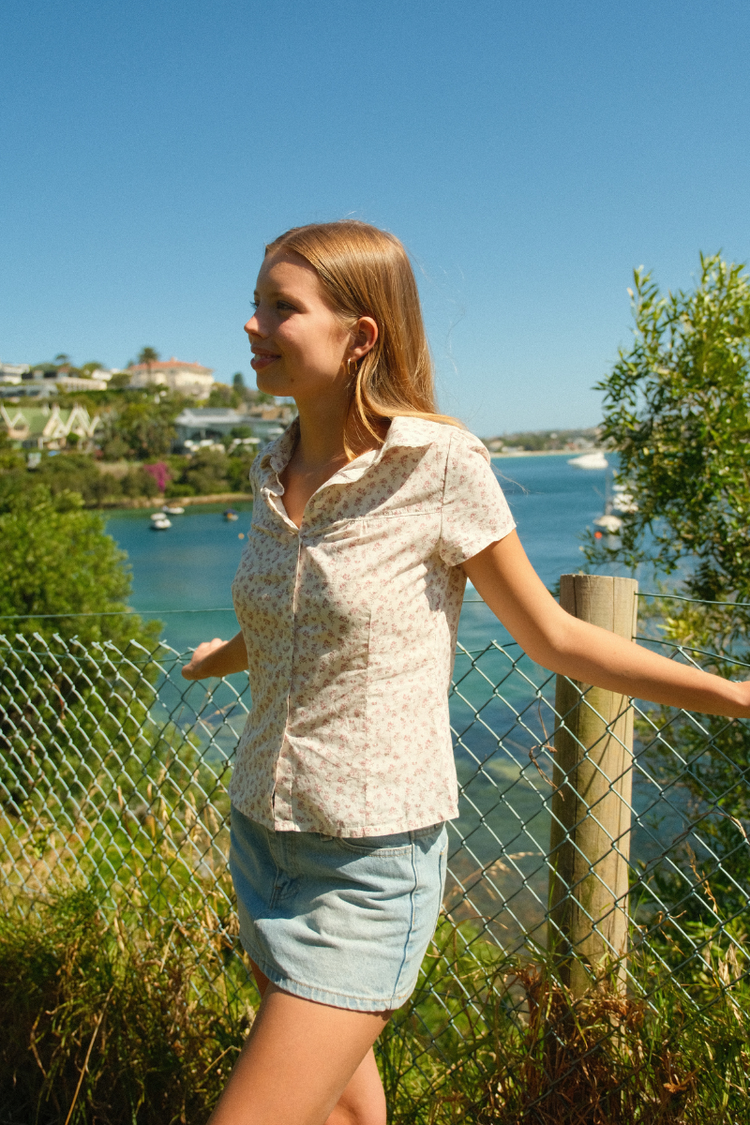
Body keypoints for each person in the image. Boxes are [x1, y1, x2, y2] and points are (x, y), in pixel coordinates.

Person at [182, 220, 750, 1125]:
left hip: (369, 861)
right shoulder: (270, 466)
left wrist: (729, 693)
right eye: (255, 304)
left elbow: (557, 637)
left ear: (360, 333)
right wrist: (228, 652)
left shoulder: (440, 465)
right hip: (260, 834)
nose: (251, 326)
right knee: (342, 1112)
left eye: (279, 307)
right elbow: (293, 612)